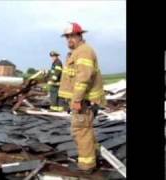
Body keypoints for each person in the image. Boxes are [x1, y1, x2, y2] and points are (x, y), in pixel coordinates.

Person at [58, 22, 106, 173]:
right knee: (86, 130)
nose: (69, 40)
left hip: (84, 101)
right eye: (67, 37)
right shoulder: (78, 51)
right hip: (84, 100)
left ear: (80, 35)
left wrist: (77, 100)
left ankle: (87, 166)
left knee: (81, 131)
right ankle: (94, 157)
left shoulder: (84, 51)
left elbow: (83, 78)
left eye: (72, 36)